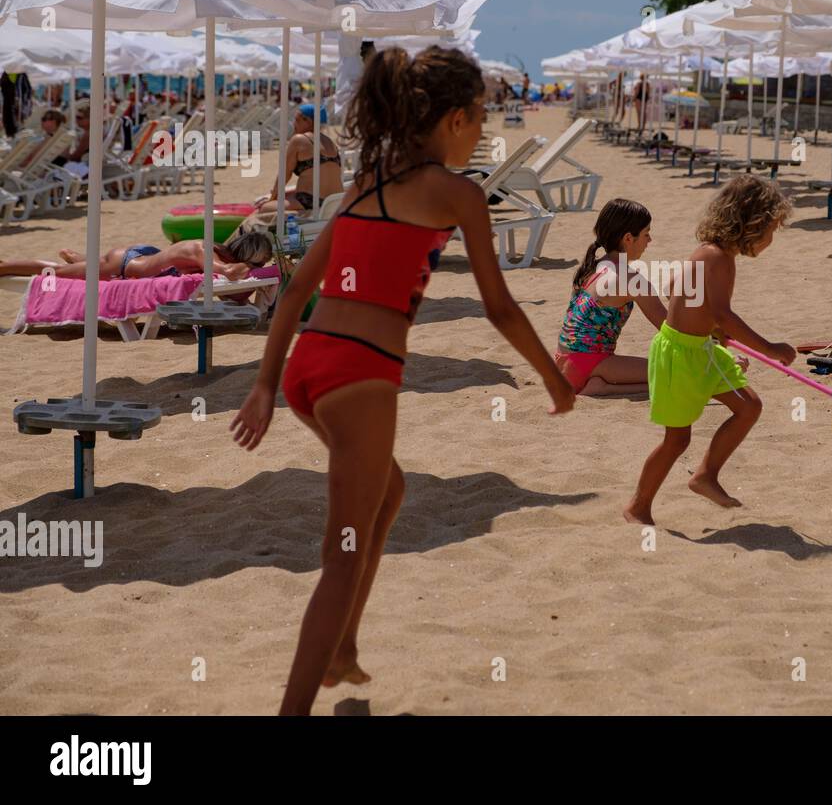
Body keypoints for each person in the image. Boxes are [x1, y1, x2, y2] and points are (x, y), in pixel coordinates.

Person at [229, 46, 574, 716]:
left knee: (388, 492)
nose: (483, 131)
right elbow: (500, 307)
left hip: (309, 366)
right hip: (360, 374)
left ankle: (344, 648)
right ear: (452, 119)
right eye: (479, 117)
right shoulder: (458, 194)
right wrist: (553, 381)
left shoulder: (367, 184)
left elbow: (299, 285)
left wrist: (267, 385)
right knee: (342, 552)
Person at [624, 176, 794, 526]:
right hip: (680, 355)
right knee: (676, 440)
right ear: (752, 223)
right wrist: (770, 348)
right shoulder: (716, 257)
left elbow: (680, 291)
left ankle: (705, 475)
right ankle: (638, 507)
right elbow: (722, 314)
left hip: (701, 349)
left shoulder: (714, 254)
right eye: (771, 229)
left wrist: (711, 332)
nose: (771, 239)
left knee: (748, 406)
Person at [555, 198, 667, 396]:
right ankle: (600, 386)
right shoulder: (629, 279)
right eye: (646, 234)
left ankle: (603, 387)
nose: (650, 241)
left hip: (563, 363)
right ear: (628, 238)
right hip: (589, 362)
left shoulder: (591, 267)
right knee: (676, 373)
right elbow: (670, 328)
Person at [0, 231, 272, 281]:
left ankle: (81, 258)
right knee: (56, 273)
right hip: (126, 264)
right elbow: (225, 272)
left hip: (140, 257)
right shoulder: (203, 251)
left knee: (89, 266)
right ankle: (4, 266)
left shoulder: (216, 250)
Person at [254, 105, 345, 213]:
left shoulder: (299, 139)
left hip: (311, 200)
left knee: (264, 208)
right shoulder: (329, 142)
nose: (294, 124)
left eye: (297, 120)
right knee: (286, 195)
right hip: (334, 202)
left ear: (308, 121)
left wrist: (272, 198)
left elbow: (284, 174)